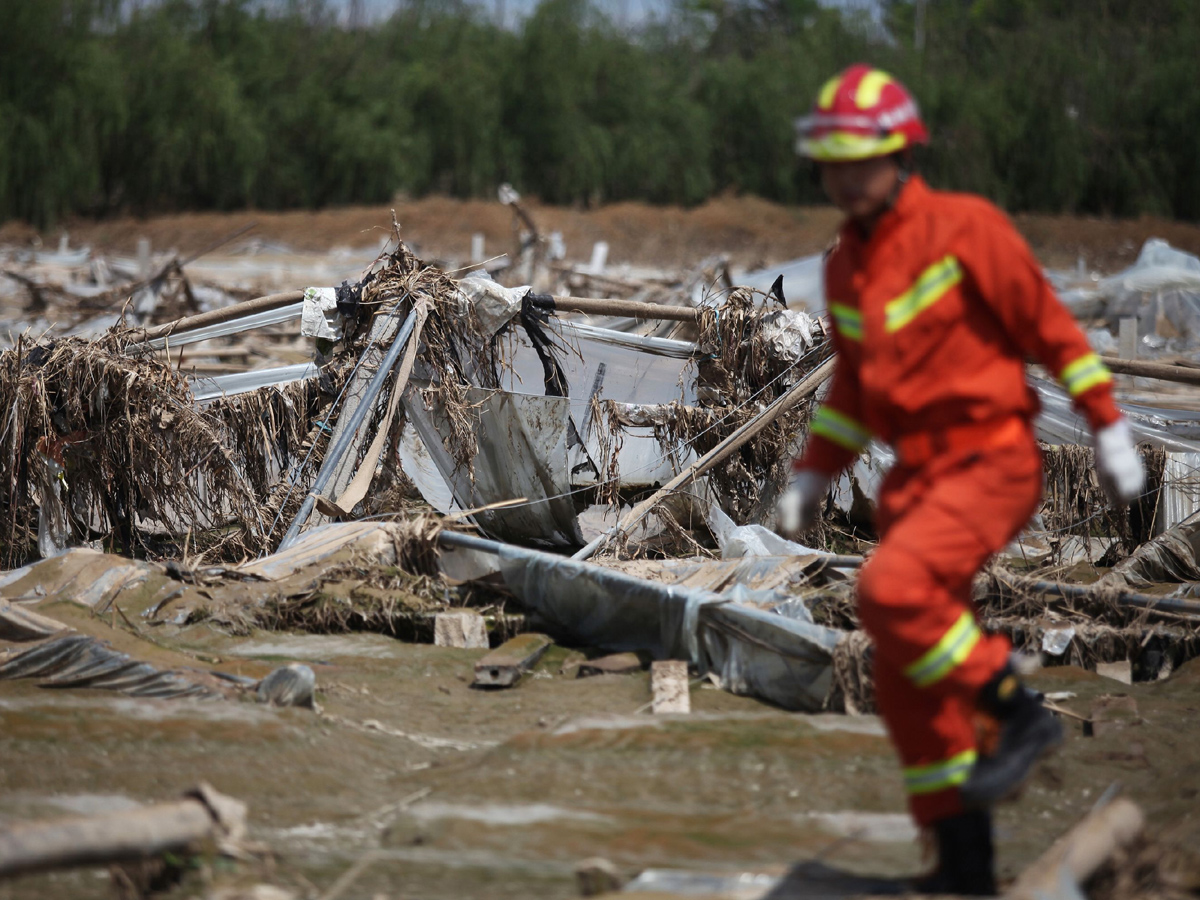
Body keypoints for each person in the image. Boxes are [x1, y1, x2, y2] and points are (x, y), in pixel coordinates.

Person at [778, 64, 1145, 895]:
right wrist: (813, 474)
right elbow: (856, 393)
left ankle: (1018, 714)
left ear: (901, 153)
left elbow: (1052, 332)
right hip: (918, 482)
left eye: (856, 158)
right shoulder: (843, 271)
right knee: (913, 694)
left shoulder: (965, 228)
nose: (841, 176)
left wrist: (1109, 422)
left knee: (889, 593)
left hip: (991, 461)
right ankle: (964, 870)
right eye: (829, 160)